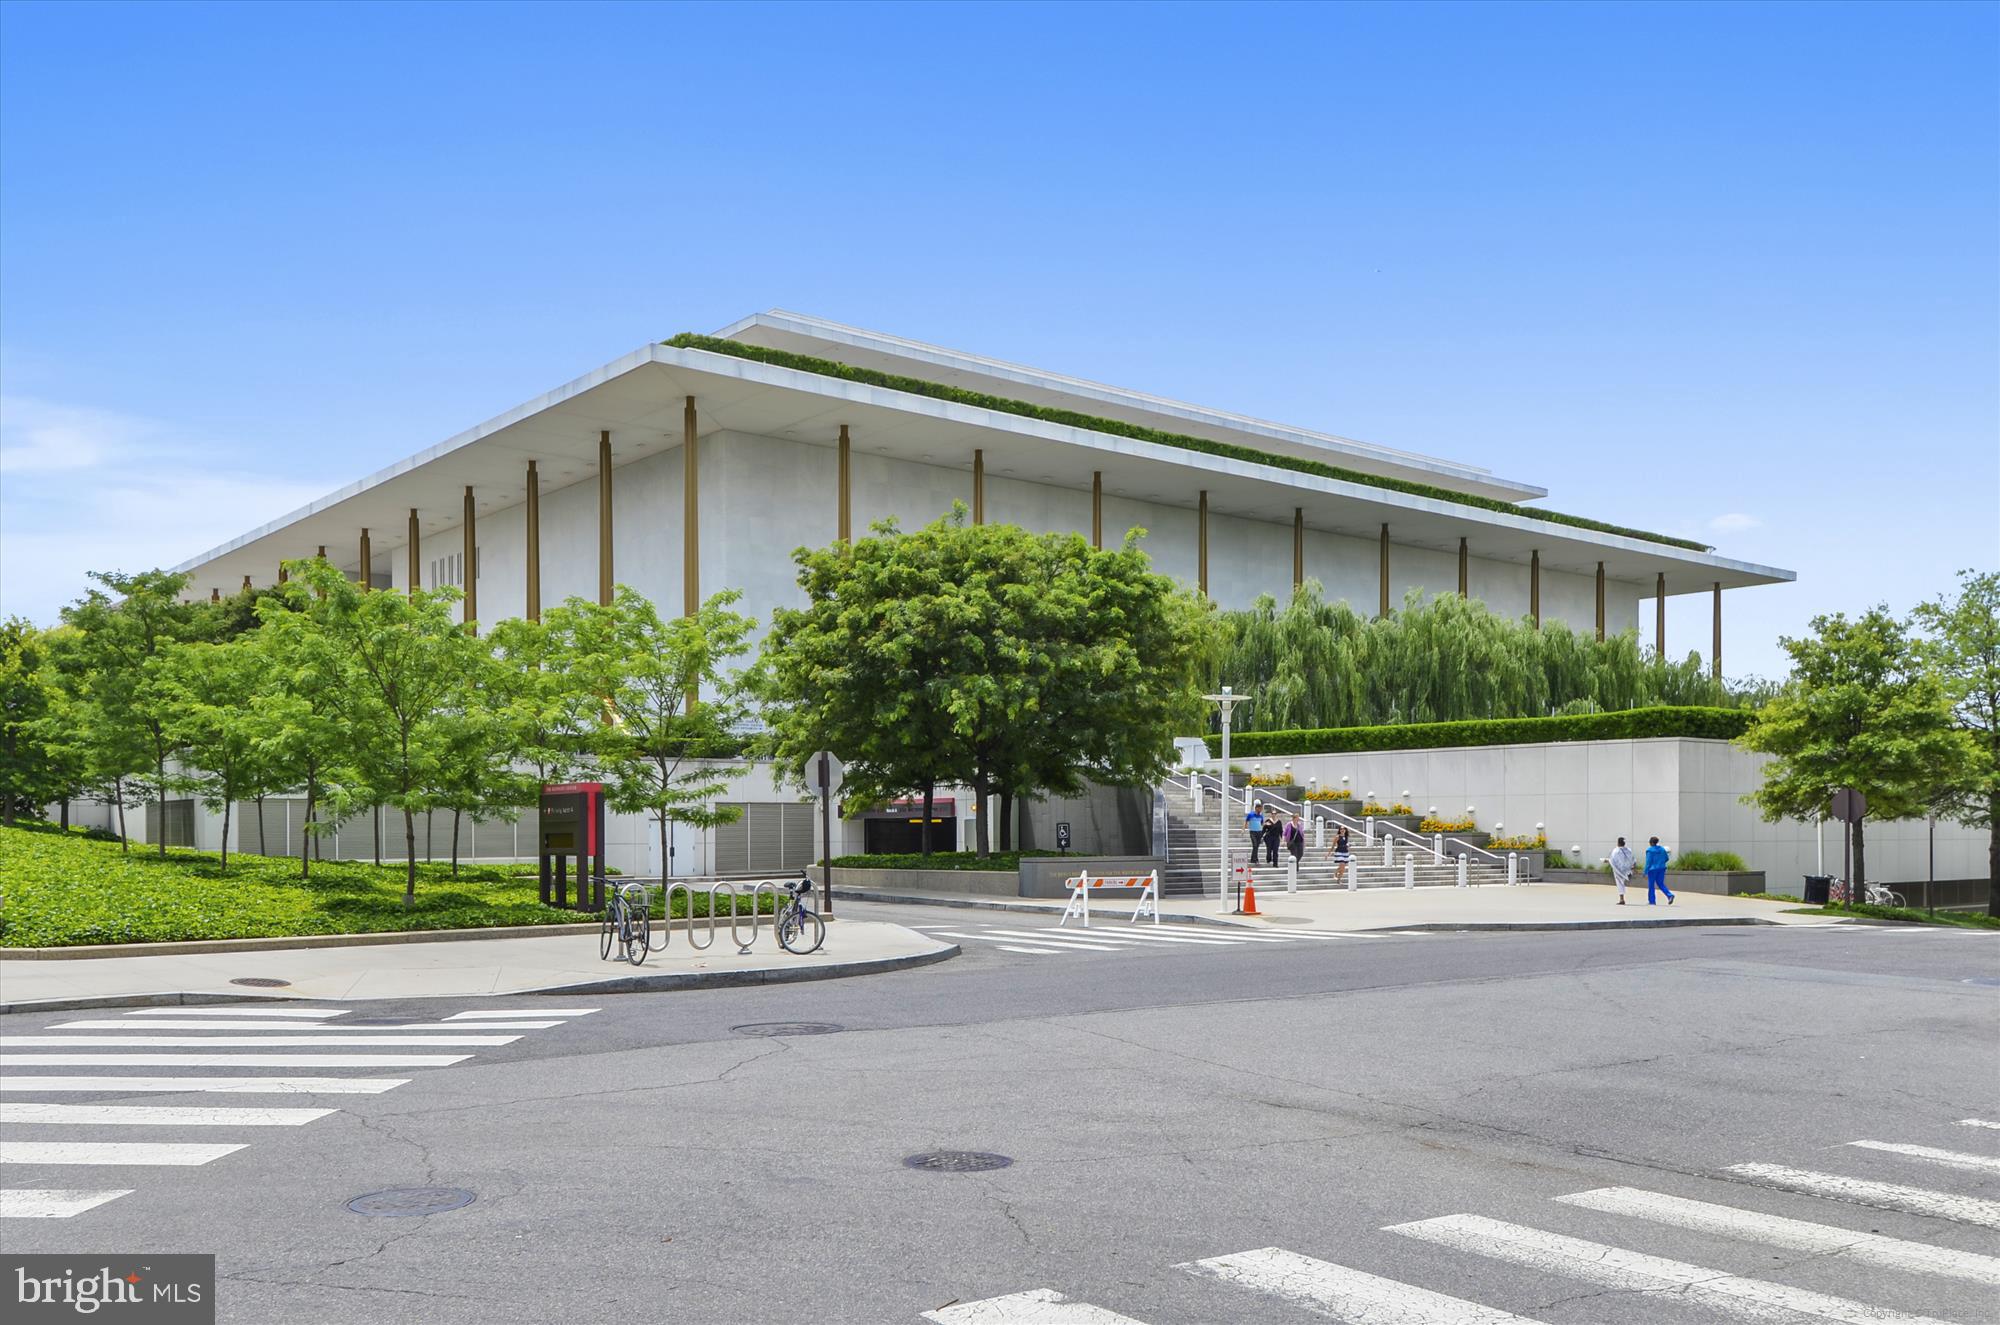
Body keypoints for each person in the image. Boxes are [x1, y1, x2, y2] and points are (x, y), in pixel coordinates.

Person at [1644, 836, 1674, 905]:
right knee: (1660, 884)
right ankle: (1669, 895)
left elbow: (1648, 862)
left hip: (1652, 870)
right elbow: (1666, 858)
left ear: (1651, 843)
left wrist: (1645, 872)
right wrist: (1661, 863)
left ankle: (1652, 901)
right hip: (1662, 868)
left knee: (1651, 885)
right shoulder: (1662, 849)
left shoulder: (1649, 850)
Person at [1609, 837, 1636, 906]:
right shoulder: (1629, 850)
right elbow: (1633, 859)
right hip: (1627, 869)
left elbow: (1612, 860)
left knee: (1619, 883)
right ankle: (1622, 898)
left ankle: (1621, 899)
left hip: (1619, 870)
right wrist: (1633, 867)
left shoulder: (1615, 851)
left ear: (1618, 842)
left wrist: (1607, 861)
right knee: (1622, 882)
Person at [1245, 802, 1264, 866]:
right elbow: (1246, 821)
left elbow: (1261, 823)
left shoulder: (1261, 816)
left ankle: (1253, 859)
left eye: (1261, 809)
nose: (1260, 810)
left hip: (1259, 832)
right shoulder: (1251, 814)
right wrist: (1244, 828)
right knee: (1255, 845)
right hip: (1253, 832)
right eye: (1259, 808)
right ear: (1256, 808)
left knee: (1256, 846)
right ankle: (1256, 859)